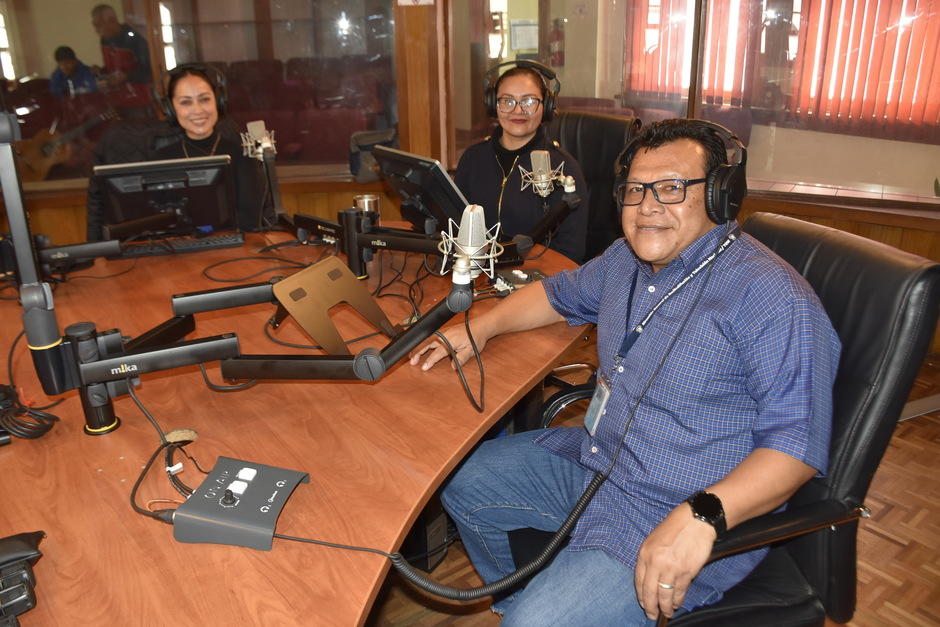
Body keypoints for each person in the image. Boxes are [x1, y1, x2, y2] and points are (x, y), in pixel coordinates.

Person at [410, 119, 841, 624]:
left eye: (672, 188)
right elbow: (557, 294)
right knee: (461, 480)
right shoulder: (626, 260)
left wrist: (703, 515)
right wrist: (481, 328)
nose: (648, 206)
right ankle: (525, 605)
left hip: (679, 511)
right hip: (601, 463)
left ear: (721, 196)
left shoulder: (774, 299)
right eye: (635, 190)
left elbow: (796, 449)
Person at [455, 62, 588, 263]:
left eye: (529, 101)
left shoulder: (564, 169)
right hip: (476, 270)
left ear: (547, 106)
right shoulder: (473, 158)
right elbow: (455, 224)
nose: (517, 111)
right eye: (507, 101)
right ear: (493, 104)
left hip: (536, 278)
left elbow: (571, 251)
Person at [154, 65, 266, 233]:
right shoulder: (161, 159)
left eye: (204, 99)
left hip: (234, 249)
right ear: (170, 109)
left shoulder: (242, 154)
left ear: (218, 101)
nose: (198, 110)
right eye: (186, 102)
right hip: (179, 252)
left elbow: (250, 221)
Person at [91, 4, 153, 118]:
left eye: (99, 25)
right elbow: (113, 68)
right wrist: (101, 71)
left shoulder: (134, 39)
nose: (97, 30)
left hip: (139, 102)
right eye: (95, 25)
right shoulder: (104, 39)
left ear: (113, 20)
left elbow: (150, 71)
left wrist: (126, 77)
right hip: (117, 100)